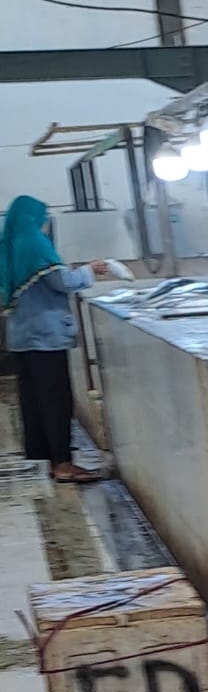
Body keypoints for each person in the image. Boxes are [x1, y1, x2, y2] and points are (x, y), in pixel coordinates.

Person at [1, 195, 106, 482]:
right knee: (55, 400)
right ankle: (62, 463)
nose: (45, 223)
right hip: (45, 336)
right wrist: (89, 270)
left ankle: (39, 460)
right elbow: (61, 282)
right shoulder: (35, 244)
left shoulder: (10, 244)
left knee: (32, 401)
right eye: (43, 217)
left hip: (21, 337)